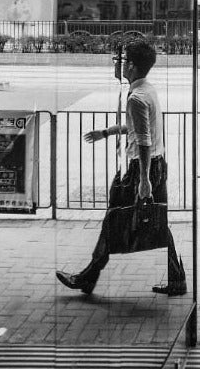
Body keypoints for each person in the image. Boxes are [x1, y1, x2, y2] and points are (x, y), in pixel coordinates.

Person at [56, 39, 186, 296]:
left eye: (122, 60)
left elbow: (144, 140)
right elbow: (138, 128)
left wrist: (144, 180)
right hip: (155, 164)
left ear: (132, 66)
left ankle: (88, 277)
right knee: (157, 221)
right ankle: (177, 279)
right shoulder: (147, 90)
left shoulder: (137, 97)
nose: (118, 64)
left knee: (114, 218)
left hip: (143, 168)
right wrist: (107, 132)